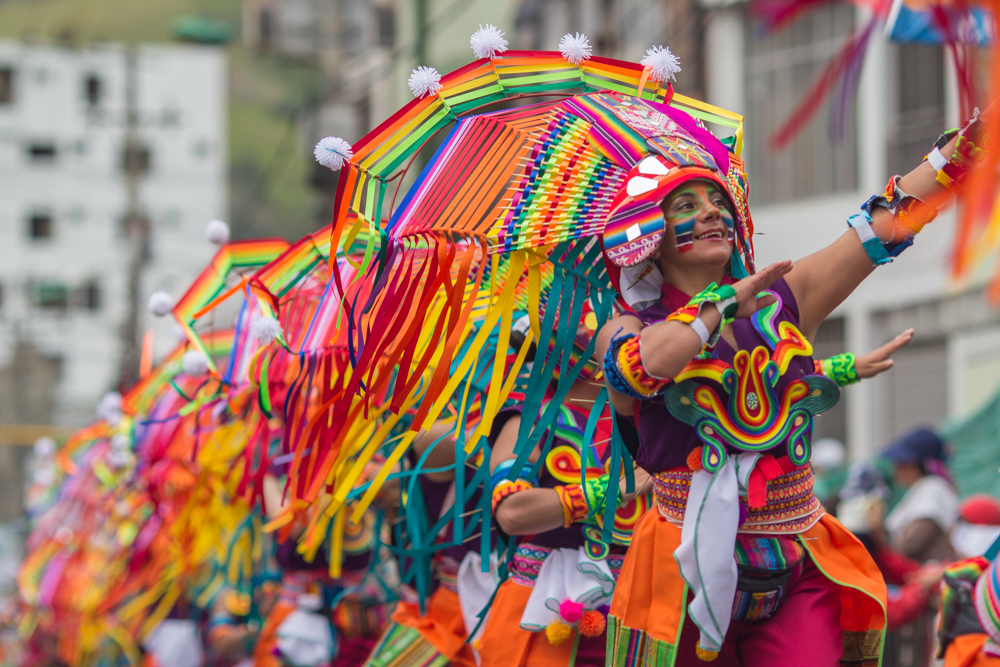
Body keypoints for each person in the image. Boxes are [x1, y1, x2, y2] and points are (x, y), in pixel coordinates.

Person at [592, 88, 983, 665]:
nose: (710, 212)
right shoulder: (628, 325)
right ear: (646, 234)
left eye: (716, 200)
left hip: (796, 553)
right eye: (686, 205)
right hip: (682, 560)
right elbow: (645, 366)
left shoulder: (783, 299)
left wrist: (962, 153)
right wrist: (721, 305)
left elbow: (882, 228)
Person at [479, 370, 653, 667]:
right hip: (546, 614)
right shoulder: (529, 420)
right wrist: (610, 492)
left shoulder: (661, 423)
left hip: (636, 620)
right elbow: (512, 511)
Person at [882, 427, 960, 563]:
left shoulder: (933, 490)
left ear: (917, 465)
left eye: (903, 462)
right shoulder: (922, 489)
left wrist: (876, 535)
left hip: (932, 576)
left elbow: (910, 546)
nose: (896, 467)